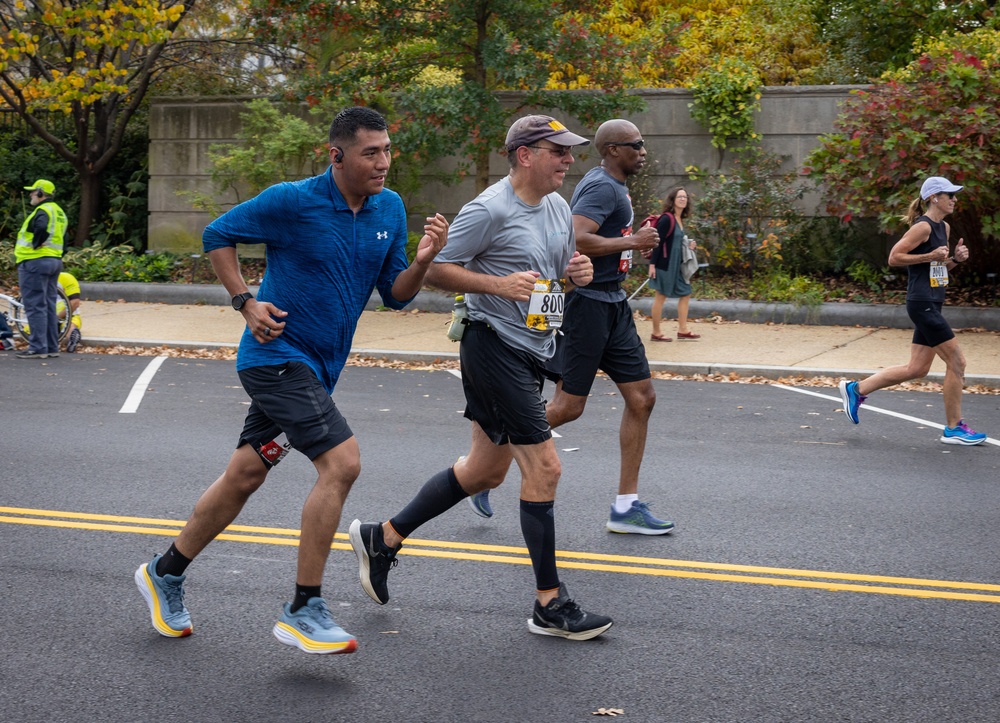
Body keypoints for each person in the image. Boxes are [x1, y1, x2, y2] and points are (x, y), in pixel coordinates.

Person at [134, 106, 449, 654]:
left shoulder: (389, 207)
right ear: (337, 155)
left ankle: (165, 572)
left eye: (387, 150)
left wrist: (422, 261)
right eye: (371, 152)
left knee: (244, 476)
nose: (383, 162)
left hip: (320, 371)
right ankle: (304, 607)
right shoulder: (292, 200)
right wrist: (245, 301)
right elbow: (217, 233)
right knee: (342, 462)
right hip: (274, 359)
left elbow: (397, 296)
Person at [348, 115, 613, 641]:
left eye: (569, 151)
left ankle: (384, 537)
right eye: (557, 151)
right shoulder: (490, 208)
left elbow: (557, 271)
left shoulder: (558, 207)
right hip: (491, 344)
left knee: (484, 472)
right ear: (524, 155)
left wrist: (576, 274)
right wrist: (497, 284)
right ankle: (549, 603)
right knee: (546, 466)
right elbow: (436, 268)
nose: (568, 160)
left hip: (533, 346)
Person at [467, 118, 674, 536]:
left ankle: (625, 506)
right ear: (614, 149)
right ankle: (486, 468)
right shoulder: (599, 186)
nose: (643, 150)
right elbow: (579, 237)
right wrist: (632, 243)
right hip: (588, 305)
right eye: (636, 143)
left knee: (643, 397)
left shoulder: (613, 185)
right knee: (568, 407)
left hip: (612, 301)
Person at [839, 176, 986, 446]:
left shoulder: (945, 228)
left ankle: (856, 389)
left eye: (954, 195)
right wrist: (929, 255)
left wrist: (955, 260)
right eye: (949, 194)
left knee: (917, 368)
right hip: (922, 303)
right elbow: (894, 257)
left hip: (933, 300)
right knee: (958, 362)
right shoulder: (923, 227)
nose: (954, 199)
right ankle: (954, 428)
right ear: (933, 198)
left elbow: (937, 270)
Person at [15, 179, 67, 359]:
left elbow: (42, 227)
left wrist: (36, 244)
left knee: (35, 305)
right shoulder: (59, 212)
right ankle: (52, 346)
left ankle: (37, 347)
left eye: (33, 191)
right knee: (48, 304)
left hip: (34, 261)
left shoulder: (42, 210)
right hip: (53, 261)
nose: (30, 194)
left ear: (40, 193)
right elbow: (64, 239)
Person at [648, 186, 700, 341]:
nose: (683, 199)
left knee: (686, 292)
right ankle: (656, 333)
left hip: (677, 265)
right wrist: (652, 265)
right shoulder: (666, 218)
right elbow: (657, 242)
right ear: (673, 200)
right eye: (680, 197)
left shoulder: (679, 219)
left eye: (685, 197)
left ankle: (683, 330)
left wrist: (689, 245)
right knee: (661, 296)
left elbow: (676, 242)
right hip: (664, 265)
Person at [57, 271, 83, 353]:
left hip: (68, 315)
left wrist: (57, 317)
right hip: (46, 316)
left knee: (69, 326)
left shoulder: (66, 278)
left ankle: (72, 338)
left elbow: (75, 302)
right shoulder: (37, 280)